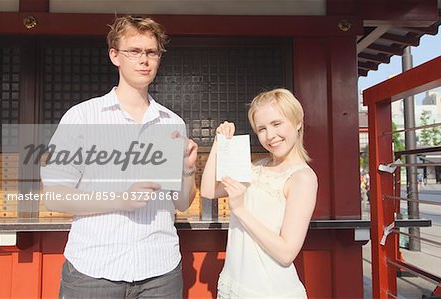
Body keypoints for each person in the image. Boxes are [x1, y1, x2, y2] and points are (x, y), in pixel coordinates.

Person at [41, 15, 197, 298]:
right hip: (94, 269)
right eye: (134, 51)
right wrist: (121, 199)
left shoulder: (172, 122)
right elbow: (53, 196)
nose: (144, 60)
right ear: (115, 55)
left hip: (160, 269)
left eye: (151, 52)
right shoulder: (82, 116)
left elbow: (183, 202)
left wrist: (188, 170)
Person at [201, 88, 318, 298]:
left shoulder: (303, 178)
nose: (270, 135)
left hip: (269, 290)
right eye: (261, 128)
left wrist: (240, 209)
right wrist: (218, 143)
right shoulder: (257, 167)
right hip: (234, 284)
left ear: (297, 121)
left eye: (276, 124)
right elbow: (209, 190)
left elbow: (286, 253)